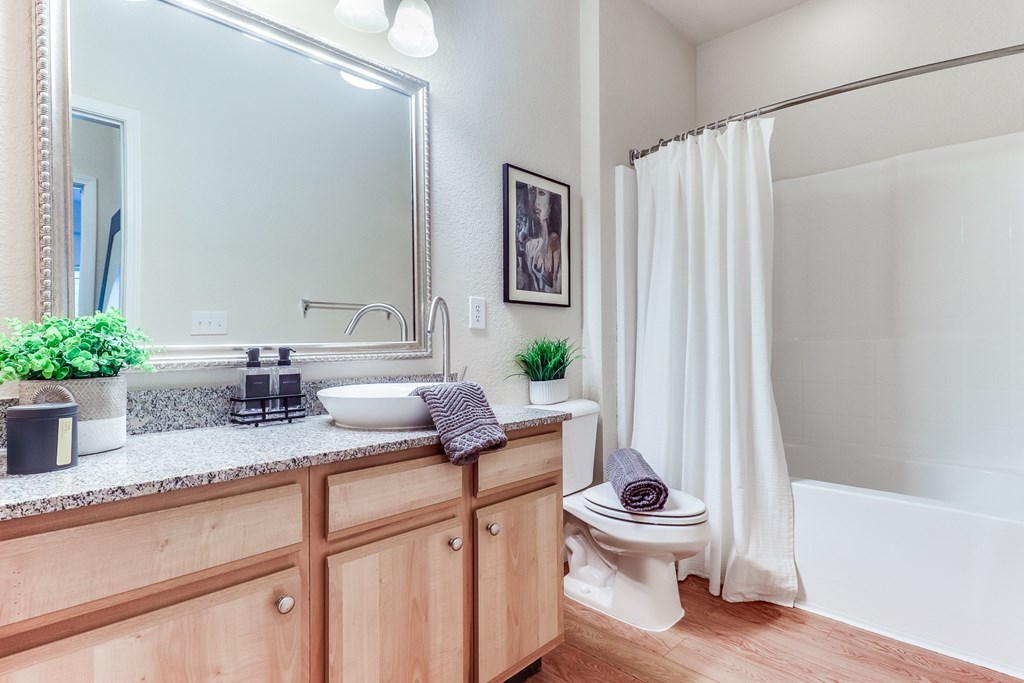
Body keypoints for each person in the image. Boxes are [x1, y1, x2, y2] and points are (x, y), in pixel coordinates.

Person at [515, 182, 562, 294]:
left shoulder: (556, 242)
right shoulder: (528, 245)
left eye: (541, 193)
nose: (536, 201)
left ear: (551, 200)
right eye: (532, 191)